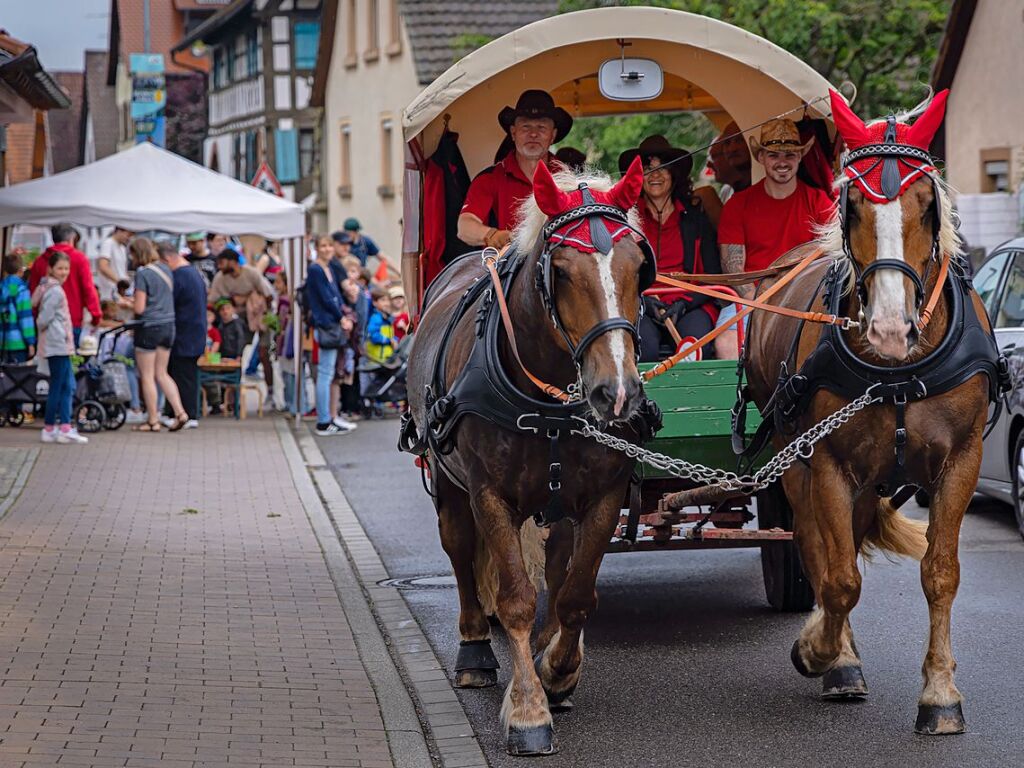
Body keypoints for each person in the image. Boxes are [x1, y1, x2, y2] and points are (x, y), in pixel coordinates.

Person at [715, 118, 834, 359]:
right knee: (726, 341)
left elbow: (831, 261)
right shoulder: (738, 204)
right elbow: (733, 269)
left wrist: (796, 302)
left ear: (800, 158)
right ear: (761, 158)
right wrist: (765, 304)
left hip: (807, 299)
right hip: (754, 300)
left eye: (790, 155)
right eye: (774, 155)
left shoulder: (819, 201)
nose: (782, 162)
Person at [618, 136, 721, 362]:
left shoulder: (696, 219)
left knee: (696, 351)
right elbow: (618, 275)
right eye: (647, 169)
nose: (655, 175)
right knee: (643, 352)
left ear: (673, 175)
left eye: (663, 168)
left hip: (689, 304)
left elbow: (712, 276)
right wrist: (643, 301)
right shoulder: (626, 222)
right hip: (641, 303)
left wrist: (683, 303)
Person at [457, 89, 573, 248]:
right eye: (526, 127)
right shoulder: (490, 178)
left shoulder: (569, 179)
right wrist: (492, 235)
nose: (533, 134)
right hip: (507, 267)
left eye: (541, 127)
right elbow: (464, 227)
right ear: (513, 133)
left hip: (557, 266)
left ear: (552, 135)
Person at [131, 237, 188, 432]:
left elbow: (139, 307)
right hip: (168, 326)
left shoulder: (143, 274)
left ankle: (153, 420)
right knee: (162, 373)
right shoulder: (166, 270)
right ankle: (181, 412)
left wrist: (125, 303)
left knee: (147, 376)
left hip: (150, 327)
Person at [34, 251, 86, 444]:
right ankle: (62, 426)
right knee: (62, 386)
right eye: (60, 268)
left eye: (66, 268)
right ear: (51, 269)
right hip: (58, 345)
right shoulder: (55, 291)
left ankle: (53, 427)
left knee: (60, 385)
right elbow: (44, 318)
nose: (64, 272)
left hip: (56, 344)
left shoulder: (47, 287)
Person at [306, 234, 356, 436]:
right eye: (323, 246)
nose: (327, 249)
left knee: (329, 374)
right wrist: (341, 317)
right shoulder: (316, 269)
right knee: (325, 374)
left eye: (329, 246)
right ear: (317, 248)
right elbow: (327, 299)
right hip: (326, 325)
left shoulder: (328, 268)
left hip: (332, 323)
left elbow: (335, 295)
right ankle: (323, 421)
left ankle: (329, 418)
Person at [208, 246, 274, 396]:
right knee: (237, 350)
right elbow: (213, 299)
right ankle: (232, 391)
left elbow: (268, 294)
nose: (220, 266)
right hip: (239, 319)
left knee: (264, 353)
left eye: (222, 262)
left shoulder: (251, 273)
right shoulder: (220, 278)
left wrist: (260, 310)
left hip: (261, 315)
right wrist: (233, 301)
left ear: (232, 262)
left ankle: (270, 390)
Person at [29, 224, 102, 345]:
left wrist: (36, 317)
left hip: (45, 322)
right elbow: (88, 289)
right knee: (70, 359)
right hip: (72, 319)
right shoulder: (79, 258)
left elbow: (33, 293)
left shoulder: (40, 261)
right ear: (71, 238)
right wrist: (96, 315)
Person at [159, 242, 206, 429]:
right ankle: (177, 412)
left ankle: (186, 413)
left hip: (184, 334)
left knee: (182, 375)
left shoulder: (179, 276)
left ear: (168, 258)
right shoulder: (193, 273)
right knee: (184, 374)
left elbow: (170, 303)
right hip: (194, 332)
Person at [1, 253, 36, 362]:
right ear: (20, 270)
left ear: (5, 270)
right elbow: (25, 318)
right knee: (17, 376)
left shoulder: (2, 287)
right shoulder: (21, 290)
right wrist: (30, 342)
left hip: (2, 342)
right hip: (18, 343)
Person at [95, 226, 134, 300]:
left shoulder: (122, 247)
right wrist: (119, 282)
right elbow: (103, 266)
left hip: (119, 291)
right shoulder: (108, 243)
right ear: (119, 231)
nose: (129, 238)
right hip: (109, 291)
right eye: (128, 235)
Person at [364, 288, 396, 364]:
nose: (387, 303)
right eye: (383, 300)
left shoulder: (387, 318)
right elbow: (374, 336)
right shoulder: (375, 318)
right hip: (375, 360)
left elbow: (389, 334)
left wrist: (395, 339)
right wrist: (389, 341)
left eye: (388, 300)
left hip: (384, 360)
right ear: (375, 303)